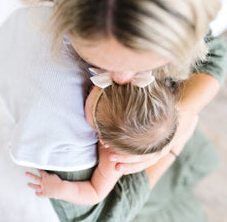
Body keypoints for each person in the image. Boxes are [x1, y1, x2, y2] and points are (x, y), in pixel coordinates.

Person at [15, 0, 227, 221]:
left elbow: (214, 52)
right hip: (139, 200)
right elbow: (96, 214)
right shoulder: (51, 104)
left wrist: (180, 120)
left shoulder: (113, 159)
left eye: (143, 67)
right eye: (100, 65)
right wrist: (172, 149)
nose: (122, 80)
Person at [25, 80, 179, 206]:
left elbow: (95, 193)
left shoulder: (112, 161)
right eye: (102, 82)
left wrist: (61, 189)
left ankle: (177, 149)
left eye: (89, 95)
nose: (92, 86)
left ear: (102, 139)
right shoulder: (133, 77)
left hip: (128, 185)